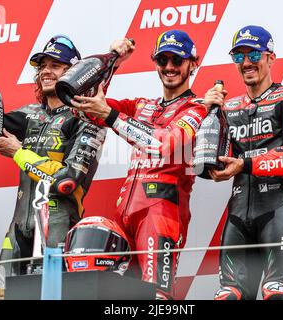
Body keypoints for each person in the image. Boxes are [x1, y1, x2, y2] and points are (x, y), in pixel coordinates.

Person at [69, 30, 209, 299]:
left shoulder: (197, 108)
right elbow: (83, 105)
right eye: (162, 60)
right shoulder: (141, 105)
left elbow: (164, 145)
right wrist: (112, 62)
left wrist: (111, 116)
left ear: (194, 62)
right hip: (123, 214)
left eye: (177, 60)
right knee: (119, 297)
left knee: (157, 296)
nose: (169, 67)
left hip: (162, 213)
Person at [0, 35, 106, 276]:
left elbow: (66, 182)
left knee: (50, 294)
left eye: (55, 65)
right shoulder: (29, 115)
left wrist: (18, 152)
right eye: (42, 66)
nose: (46, 71)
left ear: (73, 72)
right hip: (18, 228)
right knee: (2, 292)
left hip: (57, 226)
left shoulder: (87, 118)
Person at [204, 25, 283, 300]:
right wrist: (205, 112)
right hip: (237, 216)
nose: (246, 62)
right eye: (238, 56)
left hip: (280, 211)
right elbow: (205, 164)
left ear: (270, 57)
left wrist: (244, 164)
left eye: (254, 53)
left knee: (277, 294)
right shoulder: (228, 109)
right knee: (227, 296)